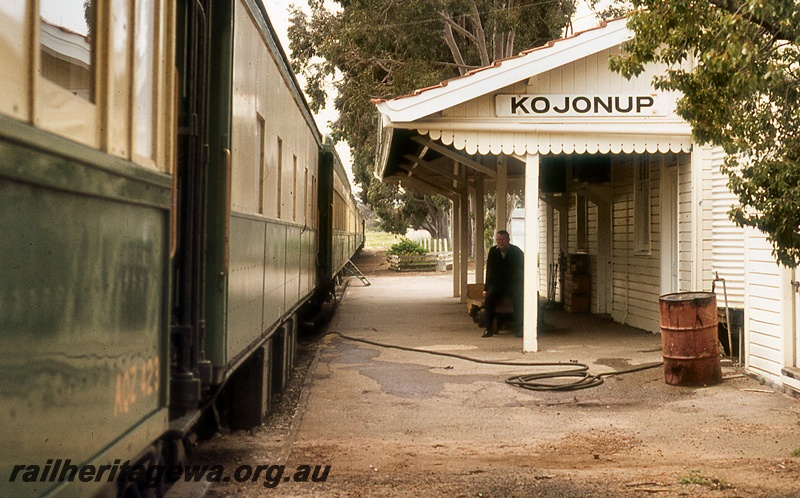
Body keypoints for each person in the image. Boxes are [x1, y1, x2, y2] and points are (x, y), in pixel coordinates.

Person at [482, 230, 524, 338]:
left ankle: (519, 329)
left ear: (508, 240)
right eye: (498, 239)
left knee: (518, 299)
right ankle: (488, 329)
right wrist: (486, 289)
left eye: (503, 239)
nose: (501, 242)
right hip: (497, 284)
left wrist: (521, 286)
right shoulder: (493, 251)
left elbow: (522, 270)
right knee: (489, 298)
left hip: (512, 284)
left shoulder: (517, 252)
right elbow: (489, 271)